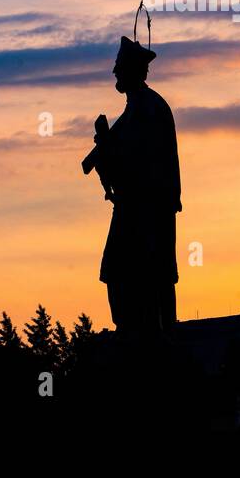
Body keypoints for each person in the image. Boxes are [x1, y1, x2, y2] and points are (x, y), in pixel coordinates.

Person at [91, 35, 181, 340]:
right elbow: (121, 166)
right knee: (117, 272)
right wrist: (106, 147)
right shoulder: (135, 110)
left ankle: (140, 337)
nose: (114, 73)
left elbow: (139, 164)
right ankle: (131, 333)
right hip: (133, 210)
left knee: (138, 276)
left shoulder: (148, 109)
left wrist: (107, 148)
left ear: (131, 70)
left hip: (146, 213)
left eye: (118, 67)